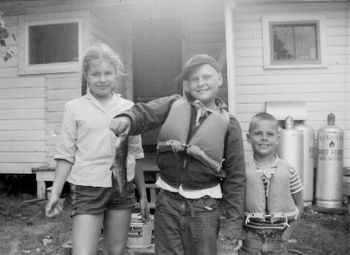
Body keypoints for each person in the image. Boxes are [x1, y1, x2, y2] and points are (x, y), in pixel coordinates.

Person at [109, 54, 246, 255]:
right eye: (194, 79)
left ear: (219, 79)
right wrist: (127, 119)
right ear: (186, 85)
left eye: (206, 77)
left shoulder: (230, 125)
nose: (201, 83)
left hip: (204, 207)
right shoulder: (173, 104)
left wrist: (234, 225)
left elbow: (236, 178)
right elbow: (145, 113)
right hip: (167, 202)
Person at [45, 43, 149, 255]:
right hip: (87, 187)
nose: (102, 79)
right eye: (96, 74)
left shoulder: (129, 108)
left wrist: (143, 194)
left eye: (108, 73)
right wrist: (55, 192)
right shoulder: (74, 108)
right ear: (86, 75)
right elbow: (65, 154)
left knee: (116, 251)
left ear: (116, 74)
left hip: (122, 187)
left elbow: (136, 154)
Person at [240, 112, 304, 255]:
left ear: (278, 139)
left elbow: (300, 205)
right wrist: (239, 232)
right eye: (258, 134)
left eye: (270, 134)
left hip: (278, 238)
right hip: (250, 238)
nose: (264, 138)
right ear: (248, 138)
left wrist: (288, 233)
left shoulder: (288, 170)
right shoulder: (241, 169)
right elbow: (233, 203)